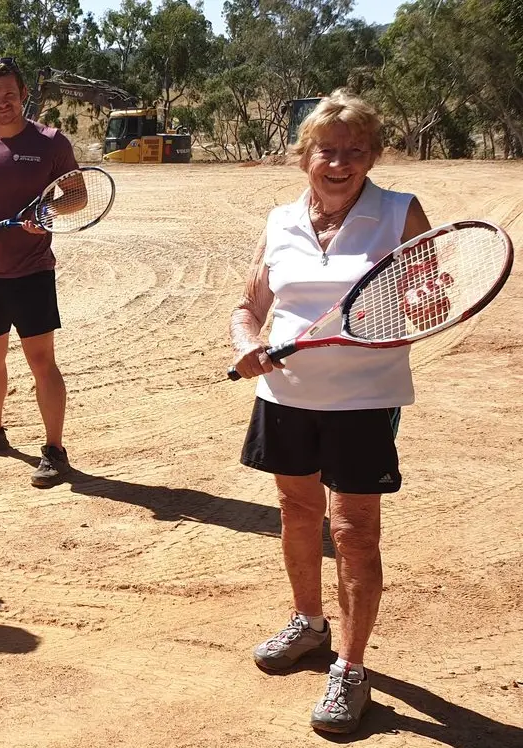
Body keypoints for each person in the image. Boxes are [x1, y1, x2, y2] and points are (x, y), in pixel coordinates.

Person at [229, 89, 432, 734]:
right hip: (286, 394)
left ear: (373, 155)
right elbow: (249, 308)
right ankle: (308, 621)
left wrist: (409, 316)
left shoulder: (400, 213)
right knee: (296, 511)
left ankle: (350, 666)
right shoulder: (280, 220)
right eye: (327, 152)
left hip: (362, 399)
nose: (340, 163)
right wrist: (249, 346)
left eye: (355, 152)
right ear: (304, 157)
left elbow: (431, 301)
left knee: (353, 531)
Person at [0, 57, 79, 488]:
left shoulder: (51, 142)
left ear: (23, 94)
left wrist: (47, 210)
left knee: (42, 362)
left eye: (10, 94)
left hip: (32, 272)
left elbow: (77, 195)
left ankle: (55, 452)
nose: (2, 102)